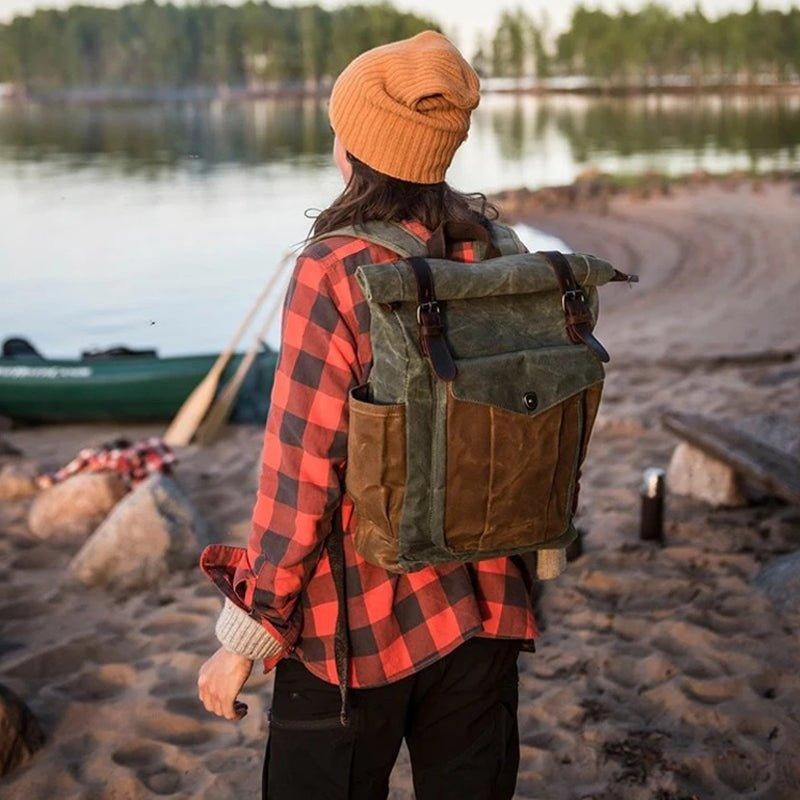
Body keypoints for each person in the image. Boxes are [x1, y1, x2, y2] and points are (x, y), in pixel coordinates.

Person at [197, 29, 539, 800]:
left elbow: (300, 474)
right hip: (484, 603)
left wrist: (245, 637)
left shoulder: (335, 269)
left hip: (354, 630)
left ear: (355, 148)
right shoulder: (491, 246)